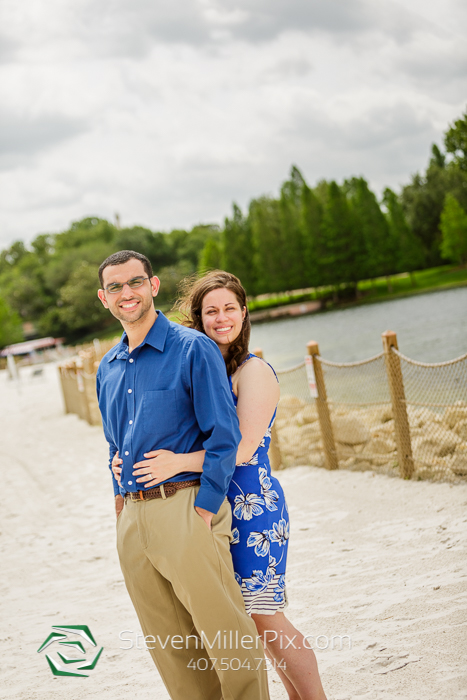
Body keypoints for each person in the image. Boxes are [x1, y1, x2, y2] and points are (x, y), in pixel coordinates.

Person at [112, 270, 327, 700]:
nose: (221, 318)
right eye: (211, 311)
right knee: (242, 621)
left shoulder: (254, 371)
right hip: (208, 507)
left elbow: (243, 448)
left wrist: (174, 464)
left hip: (252, 505)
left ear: (244, 314)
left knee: (264, 618)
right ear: (199, 318)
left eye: (230, 308)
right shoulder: (202, 363)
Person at [96, 251, 270, 700]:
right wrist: (119, 498)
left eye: (134, 282)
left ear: (153, 286)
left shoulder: (193, 349)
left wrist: (206, 507)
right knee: (171, 647)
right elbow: (114, 445)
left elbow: (224, 437)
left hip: (186, 507)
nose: (126, 293)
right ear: (103, 299)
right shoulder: (107, 367)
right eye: (115, 287)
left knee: (226, 633)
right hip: (133, 521)